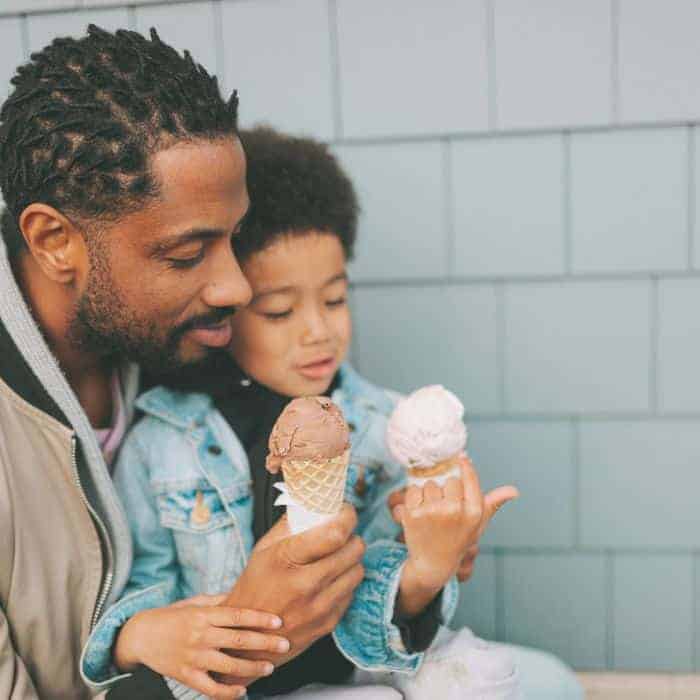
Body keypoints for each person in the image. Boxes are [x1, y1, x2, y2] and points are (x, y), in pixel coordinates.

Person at [84, 126, 582, 699]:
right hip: (246, 686)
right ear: (224, 311)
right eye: (278, 312)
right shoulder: (163, 443)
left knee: (551, 685)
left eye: (335, 299)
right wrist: (139, 633)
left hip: (355, 667)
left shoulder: (380, 424)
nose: (318, 332)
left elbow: (378, 631)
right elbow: (143, 595)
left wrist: (426, 569)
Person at [0, 27, 364, 699]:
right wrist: (240, 634)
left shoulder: (180, 340)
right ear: (55, 241)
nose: (238, 288)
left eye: (234, 236)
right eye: (187, 253)